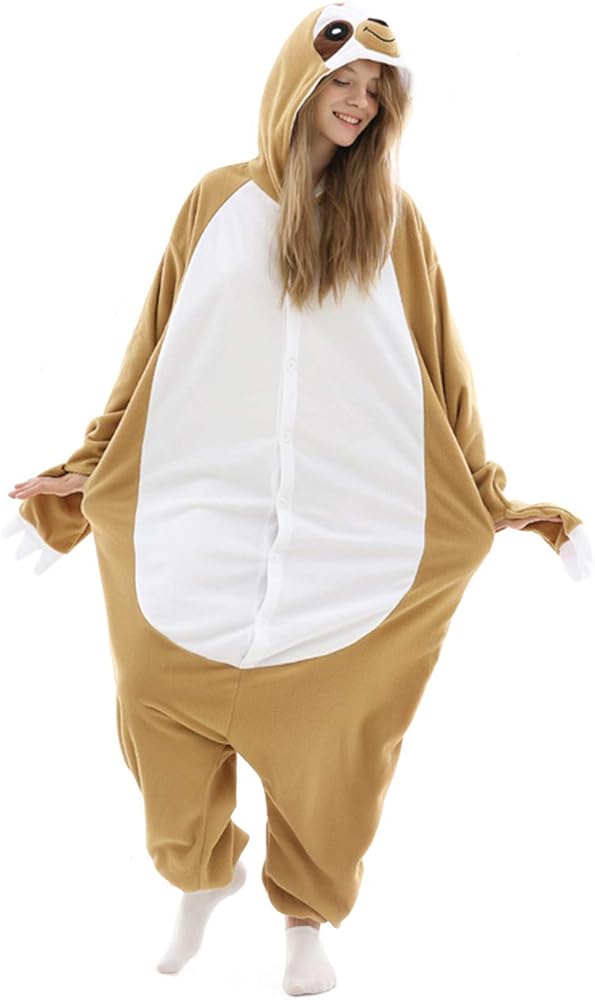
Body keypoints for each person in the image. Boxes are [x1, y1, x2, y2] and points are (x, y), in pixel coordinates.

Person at [3, 3, 592, 996]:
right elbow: (152, 345)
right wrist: (90, 462)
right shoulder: (215, 202)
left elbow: (444, 371)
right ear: (298, 82)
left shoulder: (394, 224)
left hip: (344, 538)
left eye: (375, 91)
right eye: (342, 82)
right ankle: (202, 877)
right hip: (204, 518)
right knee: (153, 712)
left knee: (337, 752)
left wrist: (489, 495)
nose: (358, 103)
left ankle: (305, 918)